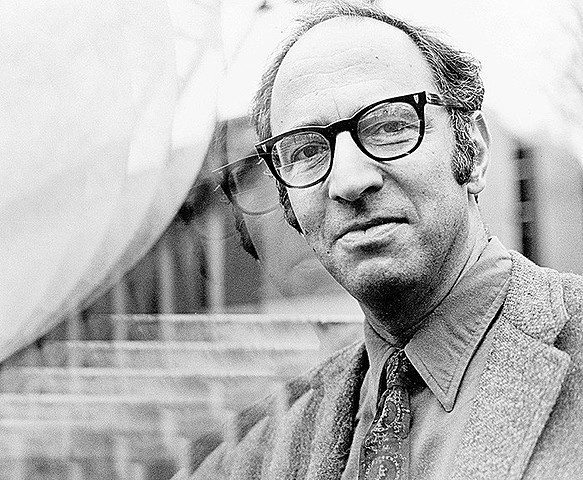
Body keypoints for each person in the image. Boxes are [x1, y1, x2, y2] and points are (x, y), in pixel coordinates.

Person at [186, 1, 583, 478]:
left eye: (390, 126)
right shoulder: (259, 450)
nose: (349, 181)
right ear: (289, 204)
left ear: (473, 150)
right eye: (307, 151)